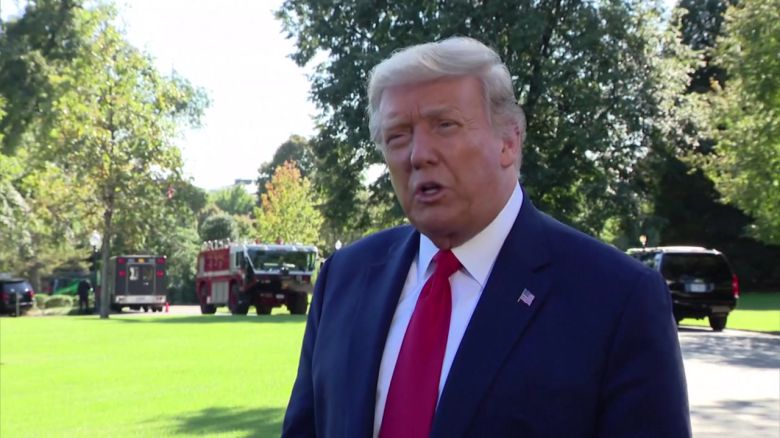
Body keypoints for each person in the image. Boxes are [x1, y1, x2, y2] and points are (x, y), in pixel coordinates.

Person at [283, 37, 690, 437]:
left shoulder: (617, 298)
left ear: (508, 141)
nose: (418, 154)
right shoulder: (344, 278)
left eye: (445, 126)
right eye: (398, 136)